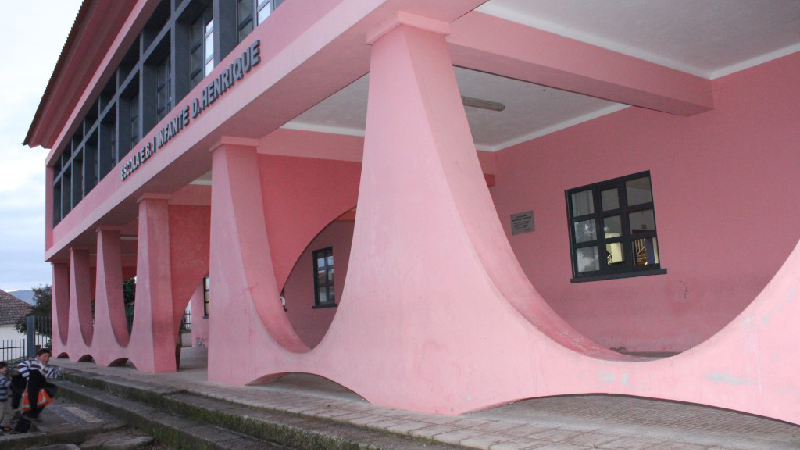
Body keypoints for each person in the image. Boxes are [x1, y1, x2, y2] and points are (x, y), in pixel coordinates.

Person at [15, 349, 62, 421]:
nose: (47, 359)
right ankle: (31, 415)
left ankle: (33, 415)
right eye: (45, 356)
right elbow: (21, 365)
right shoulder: (32, 362)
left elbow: (52, 374)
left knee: (48, 395)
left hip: (41, 385)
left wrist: (59, 371)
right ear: (38, 357)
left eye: (48, 357)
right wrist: (28, 376)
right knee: (33, 401)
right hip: (32, 385)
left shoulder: (46, 367)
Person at [0, 361, 13, 433]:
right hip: (1, 400)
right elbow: (7, 384)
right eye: (2, 368)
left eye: (5, 367)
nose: (5, 369)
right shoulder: (1, 377)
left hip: (4, 399)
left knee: (8, 412)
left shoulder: (4, 376)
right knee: (1, 414)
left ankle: (4, 426)